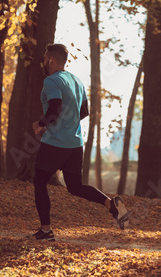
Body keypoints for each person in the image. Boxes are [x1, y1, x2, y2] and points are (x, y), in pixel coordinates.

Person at [29, 44, 130, 241]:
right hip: (75, 144)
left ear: (51, 59)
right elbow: (84, 112)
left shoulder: (51, 81)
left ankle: (46, 230)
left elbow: (55, 107)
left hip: (55, 143)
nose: (43, 62)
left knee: (40, 182)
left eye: (44, 58)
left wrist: (40, 124)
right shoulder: (76, 81)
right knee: (75, 186)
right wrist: (67, 125)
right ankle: (111, 205)